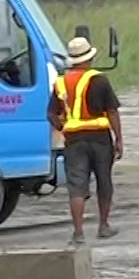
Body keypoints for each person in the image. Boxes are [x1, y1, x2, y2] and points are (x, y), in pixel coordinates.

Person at [48, 36, 122, 245]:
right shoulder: (99, 79)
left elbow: (51, 114)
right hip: (99, 137)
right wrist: (119, 139)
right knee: (103, 181)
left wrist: (64, 127)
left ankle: (78, 232)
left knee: (77, 185)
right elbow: (112, 111)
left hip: (73, 139)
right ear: (89, 58)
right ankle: (104, 226)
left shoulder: (60, 83)